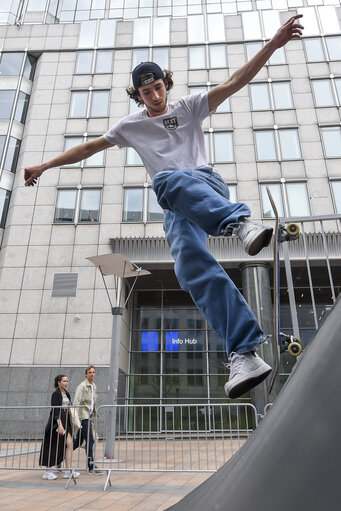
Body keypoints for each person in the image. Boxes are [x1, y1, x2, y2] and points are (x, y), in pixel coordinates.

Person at [24, 15, 304, 399]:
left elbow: (234, 82)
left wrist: (273, 44)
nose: (155, 97)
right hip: (177, 207)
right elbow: (88, 148)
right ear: (138, 95)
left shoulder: (188, 107)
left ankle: (240, 223)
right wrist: (45, 165)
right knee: (190, 268)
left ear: (165, 85)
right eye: (147, 93)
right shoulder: (130, 126)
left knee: (165, 181)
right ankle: (245, 351)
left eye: (158, 88)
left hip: (203, 184)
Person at [40, 375, 80, 480]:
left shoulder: (66, 393)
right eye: (64, 381)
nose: (66, 383)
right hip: (56, 422)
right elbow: (55, 411)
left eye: (67, 381)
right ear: (59, 382)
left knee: (69, 444)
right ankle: (48, 471)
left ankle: (68, 470)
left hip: (66, 420)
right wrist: (60, 425)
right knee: (53, 446)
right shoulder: (56, 394)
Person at [73, 365, 102, 474]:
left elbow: (93, 403)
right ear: (86, 374)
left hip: (88, 417)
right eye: (90, 372)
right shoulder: (82, 386)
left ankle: (60, 457)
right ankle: (91, 466)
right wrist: (77, 419)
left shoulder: (93, 386)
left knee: (78, 442)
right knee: (90, 440)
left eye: (93, 372)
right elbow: (76, 402)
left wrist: (91, 417)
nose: (92, 374)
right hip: (82, 417)